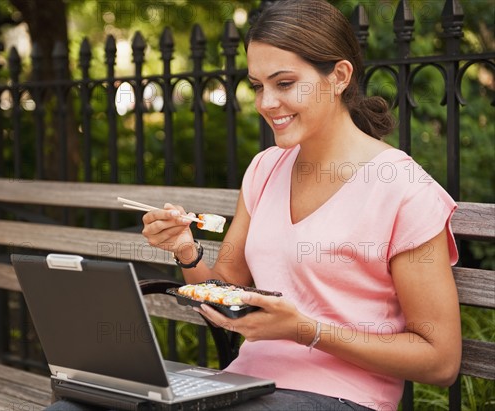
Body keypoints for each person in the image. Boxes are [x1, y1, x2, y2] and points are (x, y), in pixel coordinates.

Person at [48, 0, 461, 410]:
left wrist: (306, 331)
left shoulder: (403, 189)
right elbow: (222, 293)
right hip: (247, 386)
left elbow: (440, 361)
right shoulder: (266, 169)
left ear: (339, 76)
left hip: (339, 397)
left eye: (283, 84)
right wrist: (186, 249)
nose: (265, 103)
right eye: (258, 86)